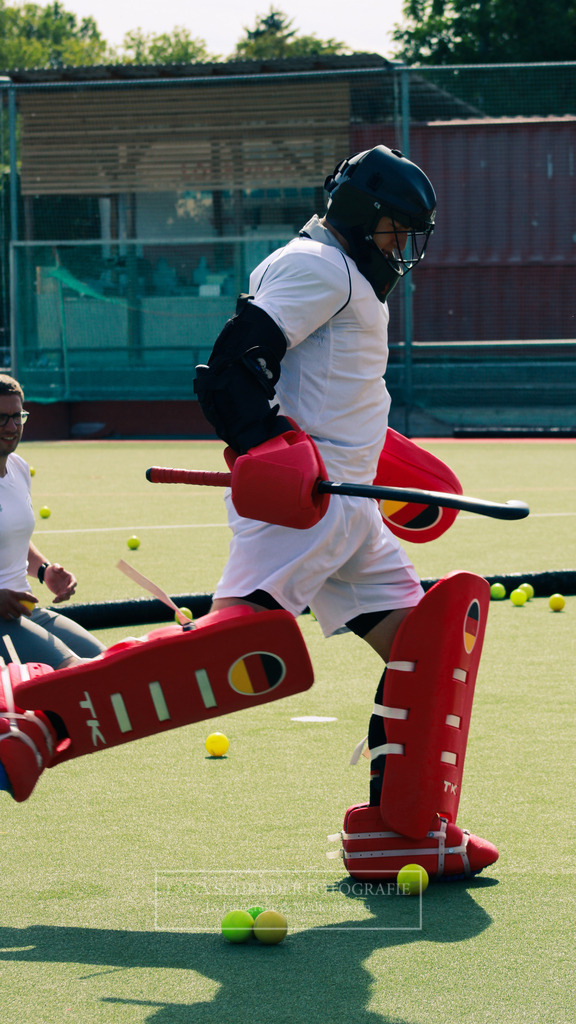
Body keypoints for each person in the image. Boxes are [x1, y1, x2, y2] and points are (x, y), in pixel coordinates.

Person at [194, 144, 499, 879]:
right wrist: (271, 456)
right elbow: (232, 367)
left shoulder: (338, 269)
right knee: (215, 659)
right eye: (396, 228)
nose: (402, 247)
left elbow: (329, 389)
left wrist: (383, 464)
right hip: (312, 504)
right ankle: (37, 721)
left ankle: (397, 831)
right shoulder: (318, 266)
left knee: (422, 656)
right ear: (362, 217)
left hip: (348, 507)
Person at [0, 374, 105, 669]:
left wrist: (44, 570)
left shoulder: (18, 468)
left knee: (108, 662)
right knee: (77, 675)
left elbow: (11, 537)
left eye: (17, 416)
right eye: (2, 418)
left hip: (26, 611)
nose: (12, 427)